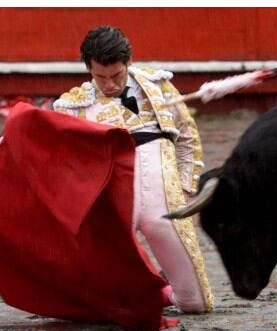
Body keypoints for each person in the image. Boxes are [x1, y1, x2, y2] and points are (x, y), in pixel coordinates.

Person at [45, 25, 213, 314]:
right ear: (88, 69)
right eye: (101, 77)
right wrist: (3, 144)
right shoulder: (74, 104)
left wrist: (186, 189)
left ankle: (159, 293)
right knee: (109, 300)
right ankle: (144, 292)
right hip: (114, 203)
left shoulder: (157, 85)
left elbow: (187, 137)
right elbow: (40, 136)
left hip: (164, 199)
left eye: (116, 76)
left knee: (197, 303)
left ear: (129, 62)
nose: (109, 85)